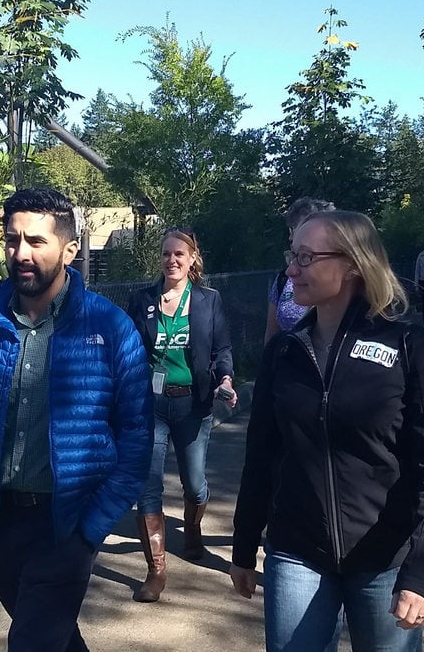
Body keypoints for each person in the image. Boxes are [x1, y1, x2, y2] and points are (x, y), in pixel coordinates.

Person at [230, 210, 424, 652]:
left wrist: (422, 572)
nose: (291, 269)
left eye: (306, 256)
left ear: (354, 263)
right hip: (296, 551)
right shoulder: (283, 352)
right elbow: (261, 454)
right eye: (291, 255)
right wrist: (244, 545)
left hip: (384, 561)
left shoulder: (410, 348)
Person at [0, 187, 153, 651]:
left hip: (66, 526)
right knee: (53, 638)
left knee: (33, 642)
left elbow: (137, 437)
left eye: (37, 241)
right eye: (12, 239)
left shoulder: (110, 328)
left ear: (70, 249)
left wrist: (91, 528)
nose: (21, 253)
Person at [126, 227, 236, 602]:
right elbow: (128, 352)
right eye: (166, 254)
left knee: (194, 483)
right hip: (150, 405)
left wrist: (226, 379)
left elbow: (222, 348)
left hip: (193, 404)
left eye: (179, 254)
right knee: (148, 486)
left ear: (192, 259)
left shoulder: (208, 300)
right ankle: (155, 571)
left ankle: (192, 529)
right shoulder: (142, 300)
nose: (171, 260)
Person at [265, 197, 336, 343]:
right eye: (292, 228)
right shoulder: (284, 279)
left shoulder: (343, 280)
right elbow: (271, 335)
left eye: (299, 225)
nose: (292, 234)